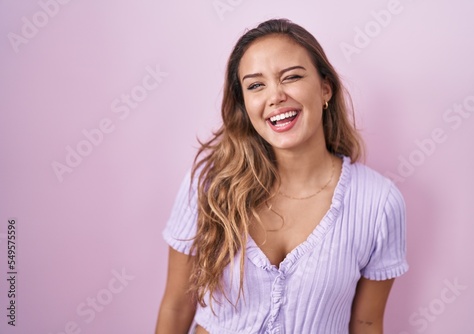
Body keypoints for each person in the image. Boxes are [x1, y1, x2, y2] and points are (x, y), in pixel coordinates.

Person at [155, 18, 408, 334]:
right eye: (256, 85)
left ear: (325, 89)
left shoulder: (378, 202)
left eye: (291, 77)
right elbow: (177, 306)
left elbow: (367, 323)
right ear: (245, 104)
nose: (275, 96)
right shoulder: (209, 183)